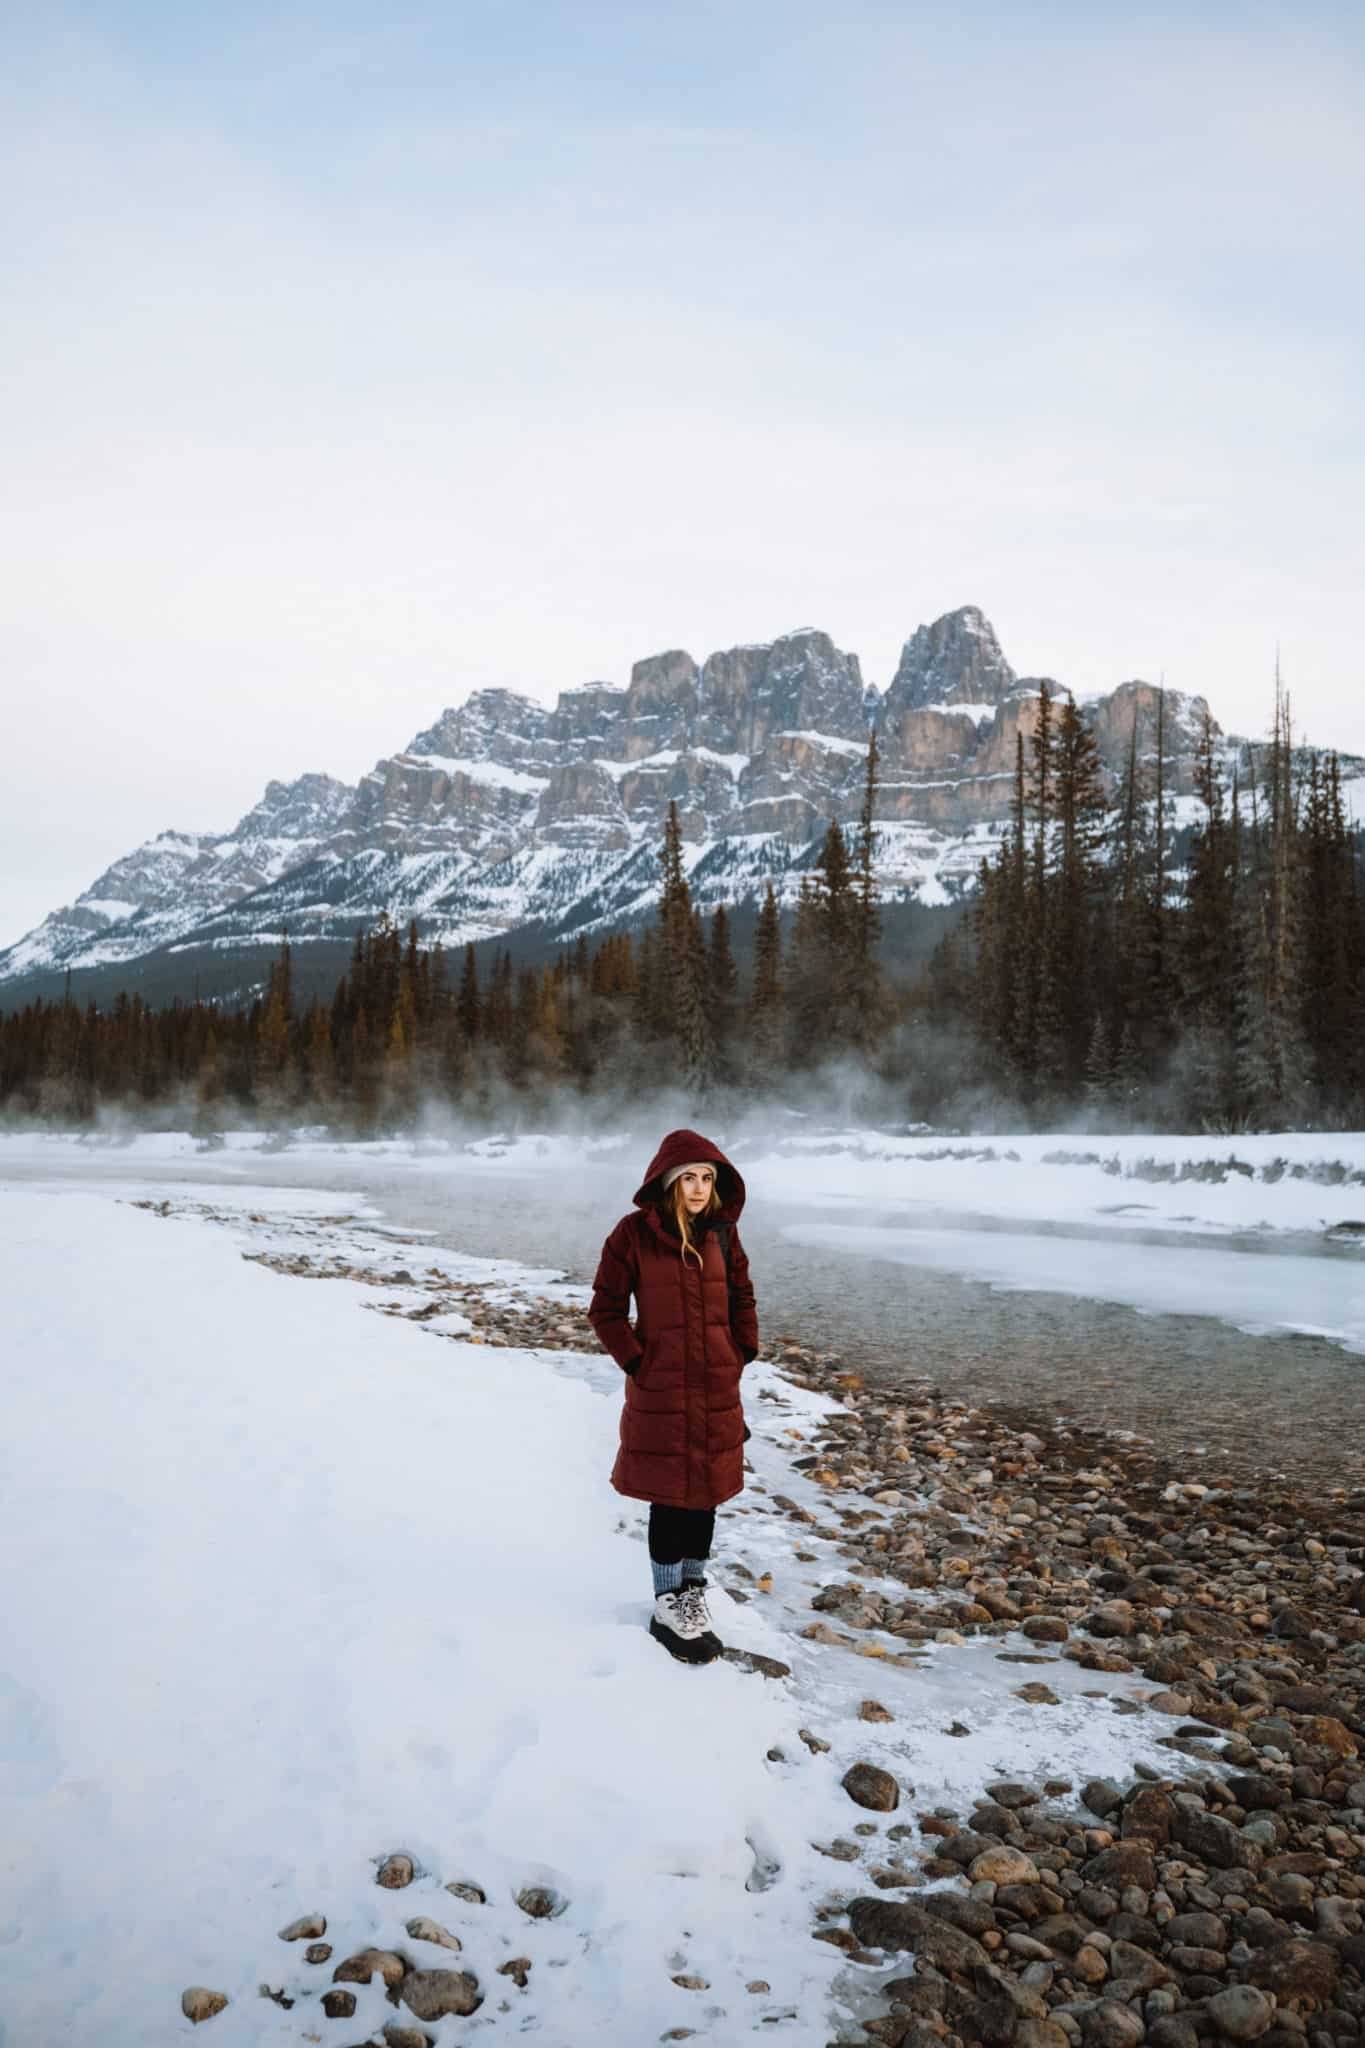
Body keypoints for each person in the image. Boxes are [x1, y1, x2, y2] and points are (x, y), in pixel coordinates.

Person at [588, 1128, 759, 1664]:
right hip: (661, 1385)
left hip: (714, 1384)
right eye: (690, 1178)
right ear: (668, 1182)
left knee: (705, 1491)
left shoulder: (723, 1236)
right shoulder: (632, 1236)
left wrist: (743, 1349)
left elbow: (742, 1296)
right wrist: (639, 1361)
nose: (700, 1187)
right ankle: (667, 1602)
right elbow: (606, 1308)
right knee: (670, 1495)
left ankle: (692, 1592)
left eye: (708, 1178)